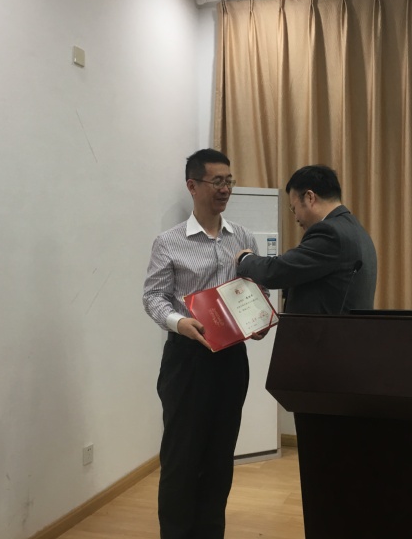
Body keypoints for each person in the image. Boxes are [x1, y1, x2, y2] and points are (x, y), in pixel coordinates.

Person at [142, 148, 260, 539]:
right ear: (192, 186)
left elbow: (251, 290)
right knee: (181, 456)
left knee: (219, 455)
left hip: (231, 358)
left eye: (229, 181)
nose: (225, 189)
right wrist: (178, 322)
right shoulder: (169, 242)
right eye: (217, 181)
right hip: (187, 359)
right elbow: (154, 297)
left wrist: (258, 320)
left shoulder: (242, 237)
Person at [235, 165, 377, 314]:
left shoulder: (331, 233)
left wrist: (245, 258)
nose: (296, 218)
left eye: (294, 209)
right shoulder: (357, 230)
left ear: (310, 197)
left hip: (324, 329)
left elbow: (278, 271)